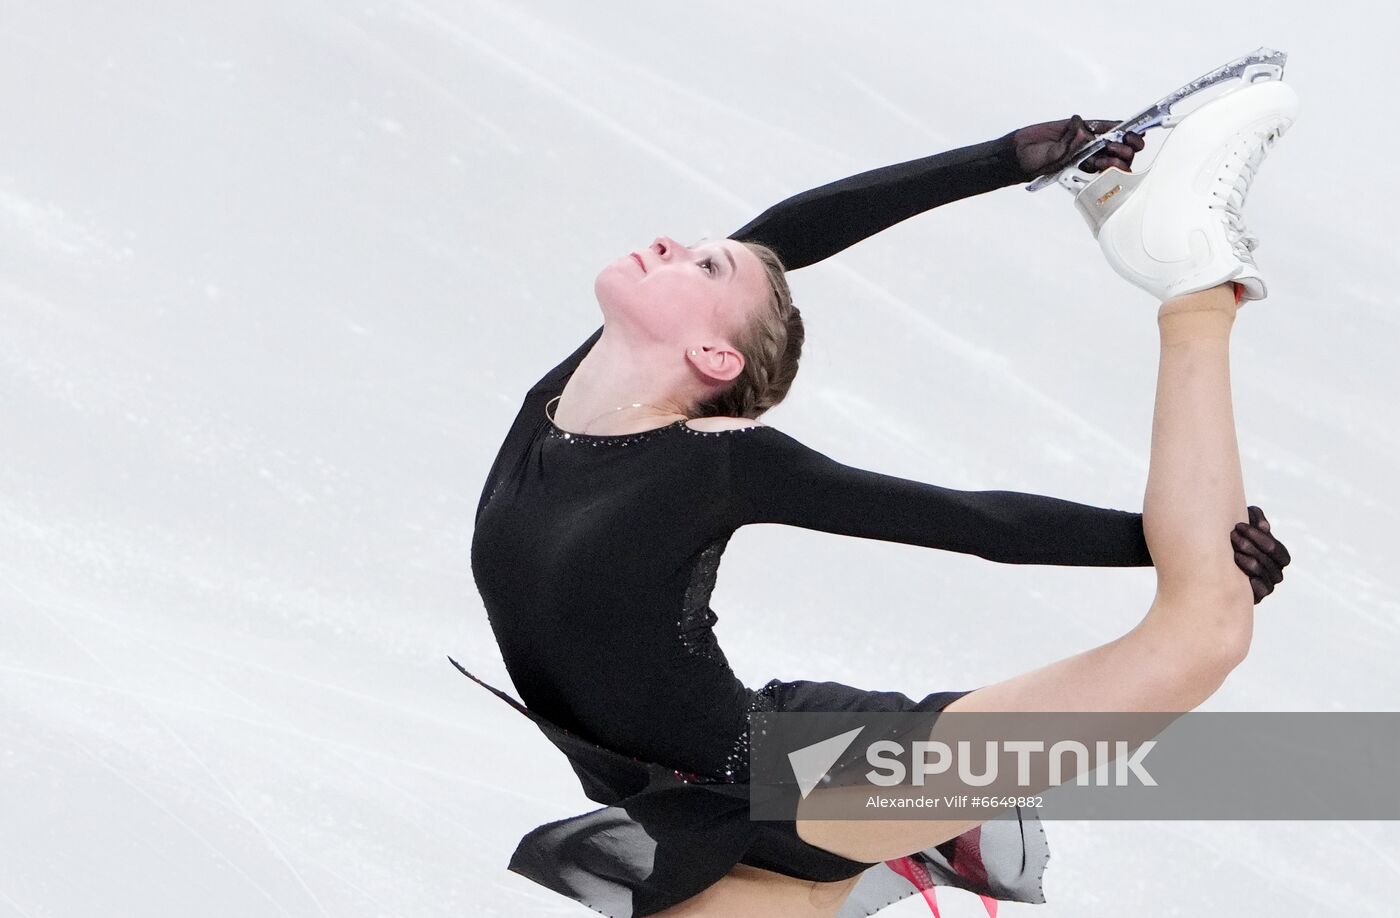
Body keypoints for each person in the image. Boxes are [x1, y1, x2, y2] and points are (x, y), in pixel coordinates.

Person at [462, 83, 1296, 918]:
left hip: (809, 779)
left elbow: (972, 523)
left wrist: (1180, 547)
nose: (668, 244)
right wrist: (1004, 158)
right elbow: (785, 236)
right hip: (686, 823)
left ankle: (1193, 283)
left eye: (703, 263)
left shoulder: (715, 461)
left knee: (1204, 631)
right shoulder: (560, 404)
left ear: (714, 355)